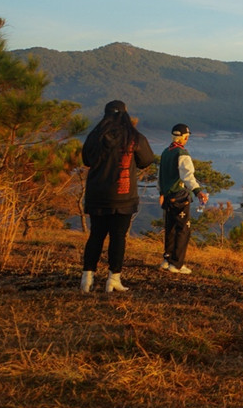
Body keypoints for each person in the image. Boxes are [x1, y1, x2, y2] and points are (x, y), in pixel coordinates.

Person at [80, 100, 157, 293]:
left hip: (97, 194)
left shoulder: (95, 136)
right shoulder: (133, 137)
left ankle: (87, 278)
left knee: (96, 235)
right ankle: (113, 279)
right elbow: (146, 159)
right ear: (125, 114)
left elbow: (86, 160)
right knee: (118, 237)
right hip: (123, 196)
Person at [158, 123, 208, 274]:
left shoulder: (166, 152)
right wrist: (198, 191)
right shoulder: (182, 153)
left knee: (170, 228)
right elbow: (187, 176)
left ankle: (167, 259)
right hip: (179, 196)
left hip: (167, 196)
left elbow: (160, 176)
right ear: (185, 137)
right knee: (183, 229)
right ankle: (177, 264)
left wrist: (161, 192)